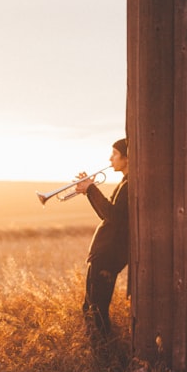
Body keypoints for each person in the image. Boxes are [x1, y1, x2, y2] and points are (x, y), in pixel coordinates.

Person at [75, 138, 129, 353]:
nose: (110, 158)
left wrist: (91, 189)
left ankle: (106, 355)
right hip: (104, 255)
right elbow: (107, 214)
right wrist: (89, 191)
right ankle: (100, 353)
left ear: (127, 157)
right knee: (90, 308)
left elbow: (112, 216)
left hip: (108, 256)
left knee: (96, 310)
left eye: (114, 154)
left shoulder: (129, 185)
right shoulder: (125, 183)